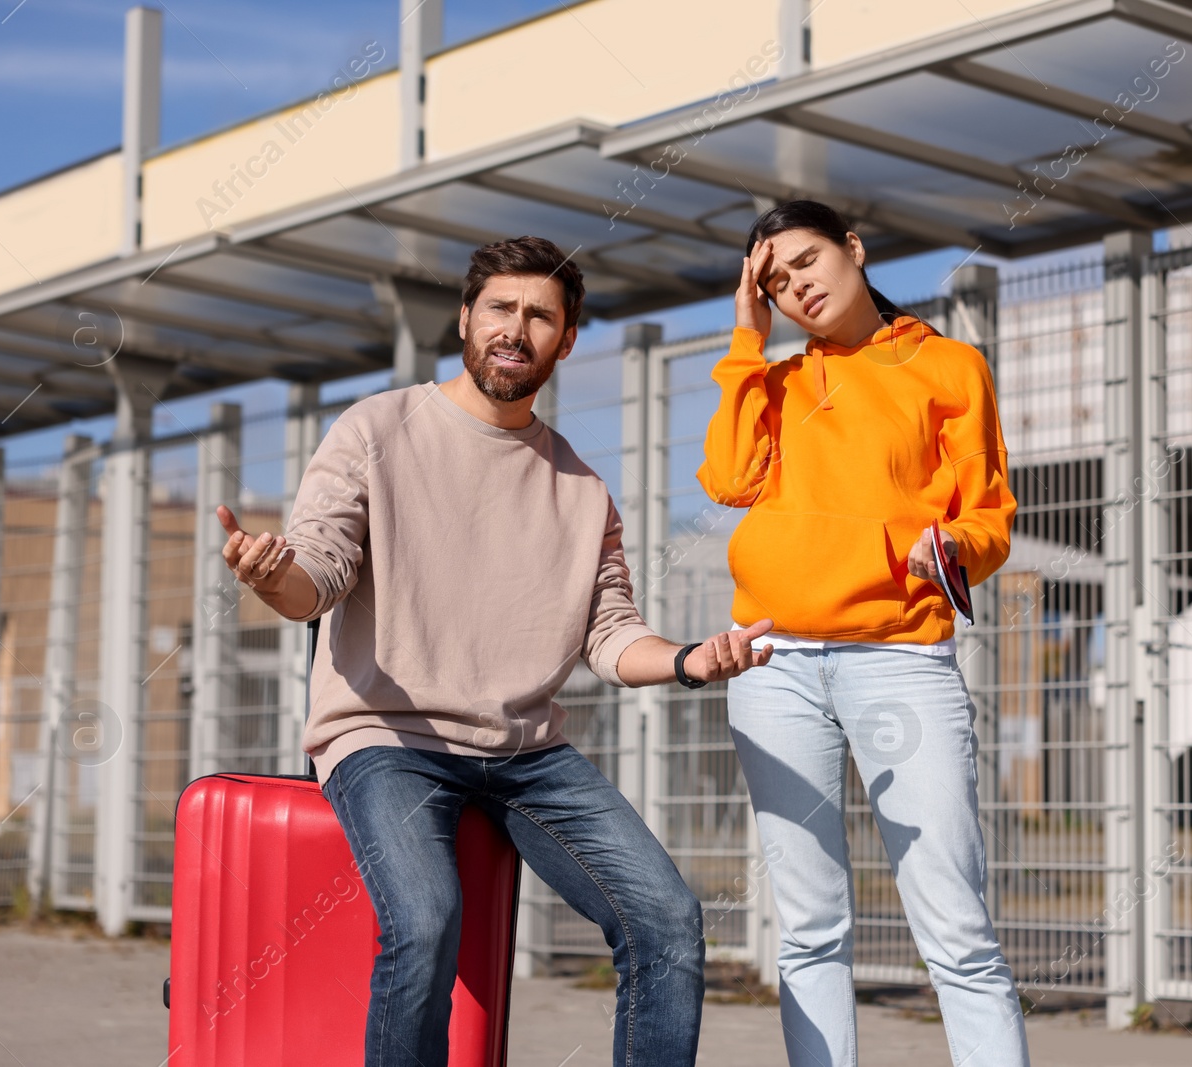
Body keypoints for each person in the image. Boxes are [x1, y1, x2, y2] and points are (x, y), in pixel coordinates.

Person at [217, 235, 775, 1067]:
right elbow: (318, 577)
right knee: (427, 918)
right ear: (467, 319)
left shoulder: (582, 489)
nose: (516, 330)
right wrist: (272, 579)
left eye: (540, 316)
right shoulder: (376, 429)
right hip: (388, 739)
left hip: (525, 753)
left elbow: (611, 635)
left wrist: (694, 658)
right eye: (501, 309)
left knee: (667, 919)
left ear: (568, 338)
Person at [697, 200, 1030, 1066]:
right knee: (808, 927)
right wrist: (746, 338)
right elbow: (729, 479)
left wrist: (949, 546)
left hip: (900, 660)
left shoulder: (950, 366)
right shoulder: (774, 380)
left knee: (955, 925)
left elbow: (989, 519)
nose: (794, 286)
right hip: (773, 664)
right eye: (773, 281)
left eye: (805, 260)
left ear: (853, 247)